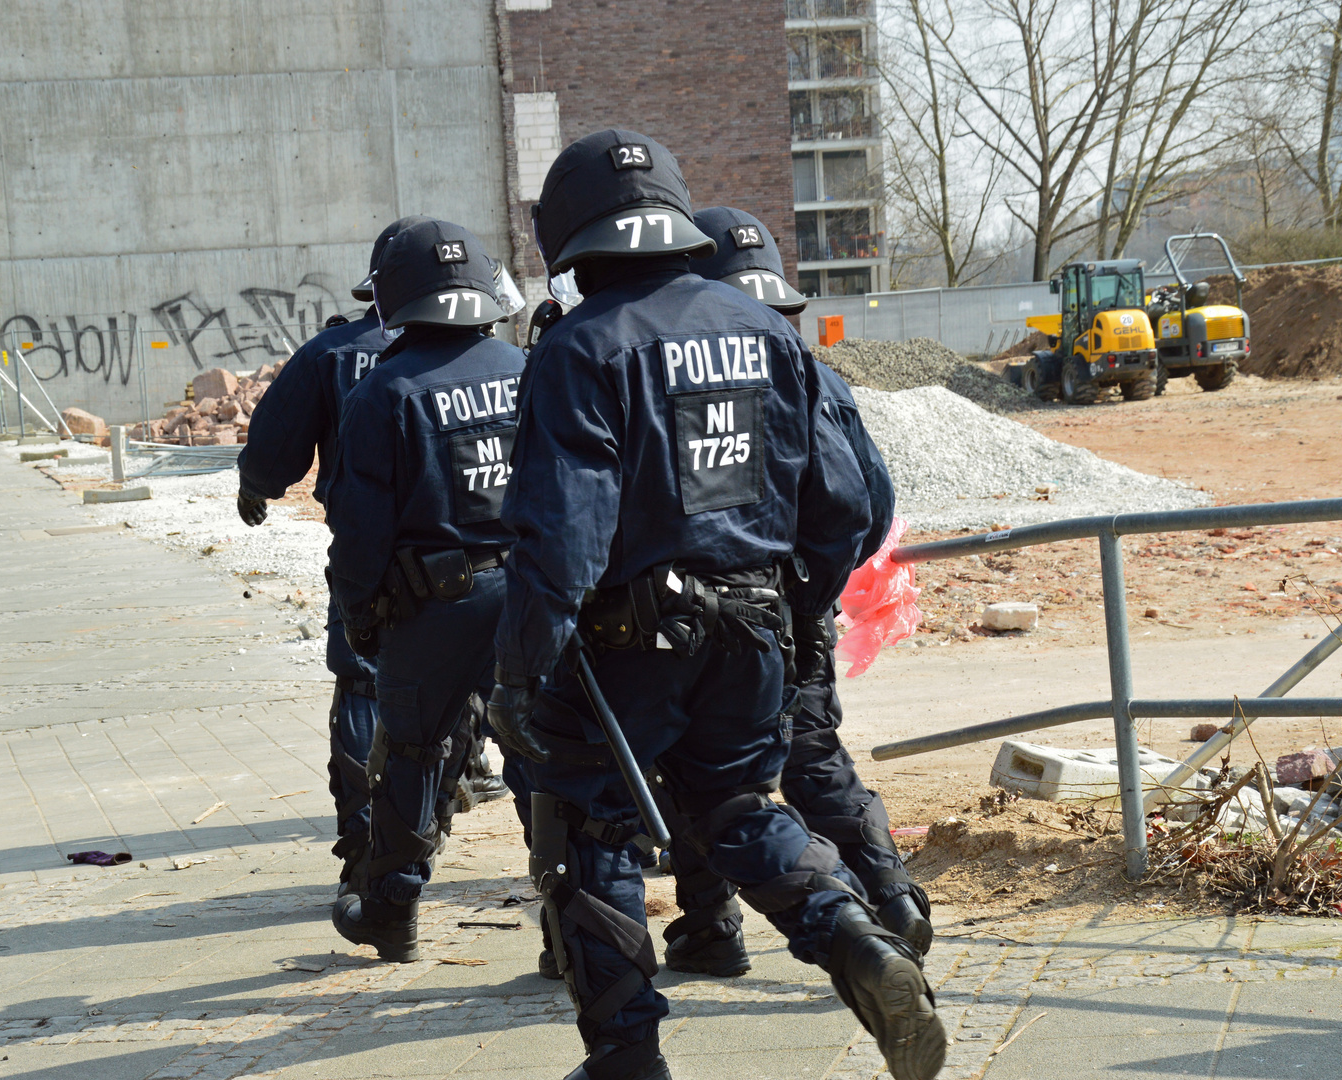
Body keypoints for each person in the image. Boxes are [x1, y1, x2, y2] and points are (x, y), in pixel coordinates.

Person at [486, 131, 946, 1080]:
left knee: (591, 833)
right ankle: (856, 941)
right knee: (738, 804)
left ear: (574, 239)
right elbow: (848, 505)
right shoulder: (768, 331)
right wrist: (793, 602)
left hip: (627, 646)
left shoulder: (579, 349)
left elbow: (563, 536)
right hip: (755, 629)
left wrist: (521, 668)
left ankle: (626, 1060)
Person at [635, 207, 931, 977]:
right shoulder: (820, 378)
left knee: (698, 768)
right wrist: (809, 592)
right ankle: (890, 897)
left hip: (712, 615)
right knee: (810, 755)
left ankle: (713, 927)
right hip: (792, 613)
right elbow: (866, 504)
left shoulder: (677, 380)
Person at [237, 217, 508, 900]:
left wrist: (257, 487)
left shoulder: (336, 355)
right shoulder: (509, 362)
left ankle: (371, 848)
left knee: (367, 688)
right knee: (516, 707)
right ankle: (563, 890)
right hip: (510, 571)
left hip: (391, 572)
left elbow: (277, 448)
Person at [325, 219, 527, 962]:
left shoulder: (386, 392)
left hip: (437, 610)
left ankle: (393, 910)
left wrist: (360, 620)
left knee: (411, 750)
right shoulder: (523, 367)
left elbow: (358, 534)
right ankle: (574, 925)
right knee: (539, 749)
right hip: (531, 592)